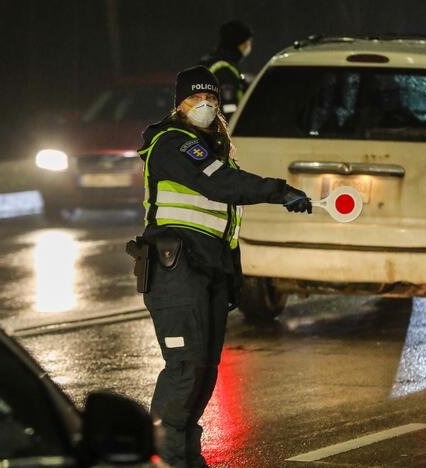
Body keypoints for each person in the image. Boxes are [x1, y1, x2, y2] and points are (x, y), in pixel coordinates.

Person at [134, 66, 311, 467]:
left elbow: (225, 224)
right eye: (196, 99)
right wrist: (277, 190)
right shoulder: (173, 144)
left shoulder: (211, 149)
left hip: (205, 273)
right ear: (179, 103)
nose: (205, 105)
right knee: (185, 370)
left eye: (211, 99)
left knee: (204, 372)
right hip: (175, 273)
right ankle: (164, 459)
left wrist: (232, 280)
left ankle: (186, 458)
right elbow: (221, 186)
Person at [200, 20, 253, 118]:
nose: (248, 46)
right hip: (219, 130)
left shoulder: (213, 62)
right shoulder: (224, 70)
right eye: (247, 42)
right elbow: (229, 109)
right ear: (238, 44)